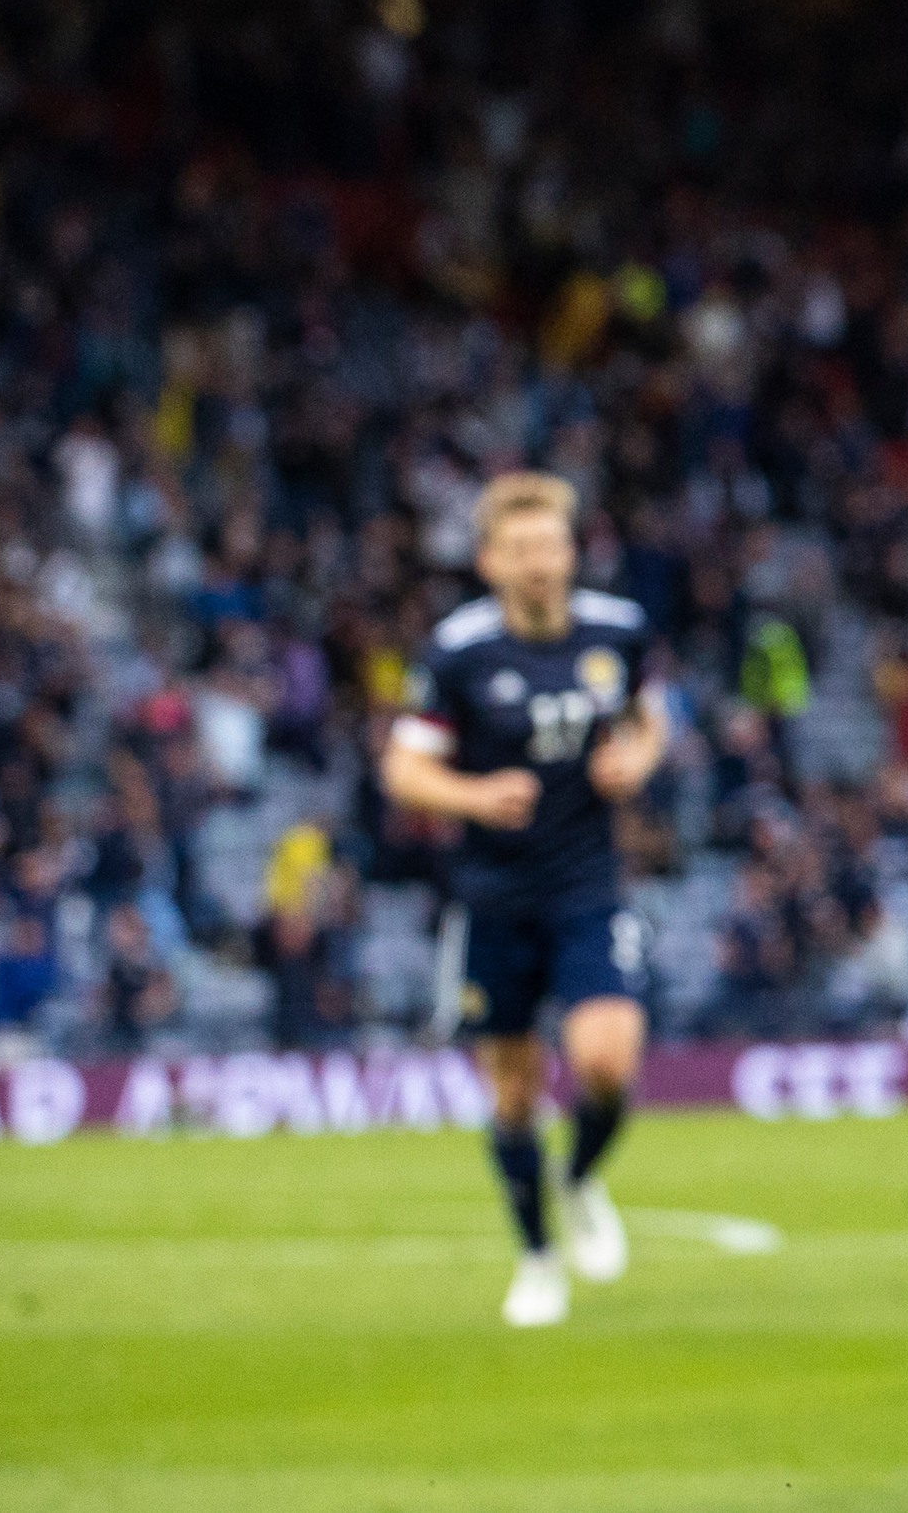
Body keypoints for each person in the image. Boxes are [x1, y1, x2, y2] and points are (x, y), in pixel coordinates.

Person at [380, 471, 668, 1329]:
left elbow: (651, 717)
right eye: (521, 549)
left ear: (572, 550)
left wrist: (638, 762)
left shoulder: (618, 630)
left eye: (552, 545)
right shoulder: (458, 651)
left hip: (588, 883)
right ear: (488, 561)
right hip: (493, 897)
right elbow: (402, 768)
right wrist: (473, 798)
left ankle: (576, 1178)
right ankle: (539, 1257)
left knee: (606, 1065)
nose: (540, 563)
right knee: (512, 1095)